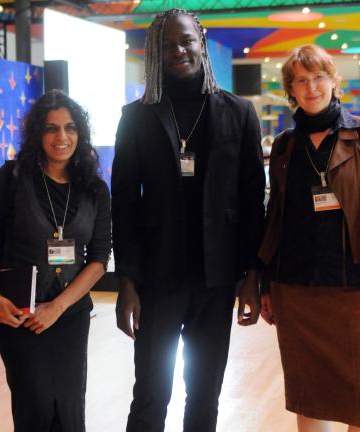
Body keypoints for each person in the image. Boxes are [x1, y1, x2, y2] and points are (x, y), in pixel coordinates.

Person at [111, 9, 265, 432]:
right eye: (166, 44)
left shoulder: (239, 112)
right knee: (150, 395)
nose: (177, 51)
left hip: (217, 282)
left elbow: (254, 202)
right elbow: (122, 203)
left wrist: (252, 276)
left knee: (204, 396)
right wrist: (126, 282)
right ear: (154, 54)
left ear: (201, 41)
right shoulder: (137, 116)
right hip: (157, 282)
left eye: (185, 41)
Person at [258, 44, 360, 432]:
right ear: (291, 90)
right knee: (310, 398)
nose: (311, 86)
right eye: (301, 80)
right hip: (296, 291)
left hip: (355, 288)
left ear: (334, 81)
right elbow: (276, 219)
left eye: (319, 76)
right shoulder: (285, 146)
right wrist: (265, 284)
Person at [0, 90, 111, 432]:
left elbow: (98, 258)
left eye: (69, 128)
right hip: (17, 312)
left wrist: (59, 307)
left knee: (68, 408)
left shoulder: (95, 190)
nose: (61, 137)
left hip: (70, 313)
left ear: (80, 134)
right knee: (35, 403)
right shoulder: (12, 177)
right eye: (51, 128)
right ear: (37, 134)